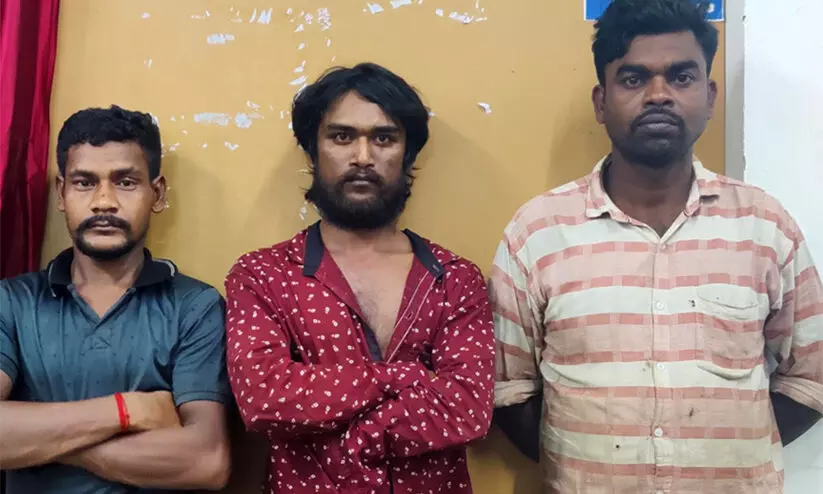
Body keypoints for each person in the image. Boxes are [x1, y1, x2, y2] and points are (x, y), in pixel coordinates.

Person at [491, 0, 823, 492]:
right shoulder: (537, 233)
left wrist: (736, 452)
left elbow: (811, 378)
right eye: (633, 79)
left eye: (681, 77)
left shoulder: (764, 225)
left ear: (709, 96)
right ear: (601, 102)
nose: (659, 95)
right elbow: (509, 391)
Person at [224, 62, 495, 494]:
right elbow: (264, 398)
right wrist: (400, 378)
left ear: (408, 154)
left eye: (383, 138)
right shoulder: (263, 275)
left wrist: (357, 438)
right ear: (312, 152)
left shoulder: (454, 279)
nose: (363, 157)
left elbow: (467, 409)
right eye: (342, 137)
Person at [0, 105, 233, 493]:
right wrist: (129, 410)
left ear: (157, 193)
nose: (104, 201)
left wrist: (38, 442)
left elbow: (206, 462)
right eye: (84, 182)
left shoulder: (196, 307)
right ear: (61, 193)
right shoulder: (11, 301)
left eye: (125, 182)